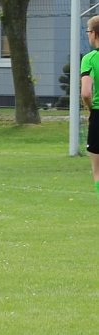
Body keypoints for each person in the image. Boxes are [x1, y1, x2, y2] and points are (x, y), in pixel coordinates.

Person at [81, 15, 99, 199]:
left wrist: (90, 108)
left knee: (98, 170)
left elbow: (86, 92)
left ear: (93, 33)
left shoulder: (90, 59)